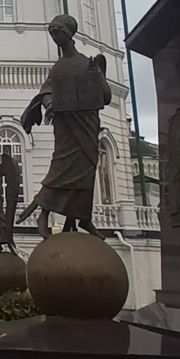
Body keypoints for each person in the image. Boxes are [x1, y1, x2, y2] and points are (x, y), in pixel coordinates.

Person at [17, 14, 111, 239]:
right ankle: (44, 212)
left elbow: (105, 97)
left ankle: (82, 219)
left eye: (58, 33)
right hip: (66, 127)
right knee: (62, 167)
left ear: (69, 34)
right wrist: (49, 104)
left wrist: (96, 76)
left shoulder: (87, 63)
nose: (55, 38)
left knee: (87, 170)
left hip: (87, 123)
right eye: (52, 34)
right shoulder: (58, 68)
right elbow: (46, 91)